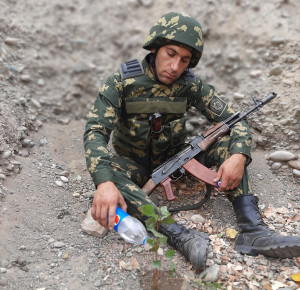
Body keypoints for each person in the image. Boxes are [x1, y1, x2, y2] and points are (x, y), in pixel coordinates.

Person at [84, 12, 300, 270]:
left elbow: (235, 120)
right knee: (110, 172)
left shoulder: (191, 85)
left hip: (179, 157)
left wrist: (238, 156)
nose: (175, 67)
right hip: (134, 163)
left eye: (185, 60)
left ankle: (252, 231)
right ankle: (179, 235)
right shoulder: (121, 82)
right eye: (171, 54)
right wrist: (105, 183)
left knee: (229, 146)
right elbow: (95, 132)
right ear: (155, 48)